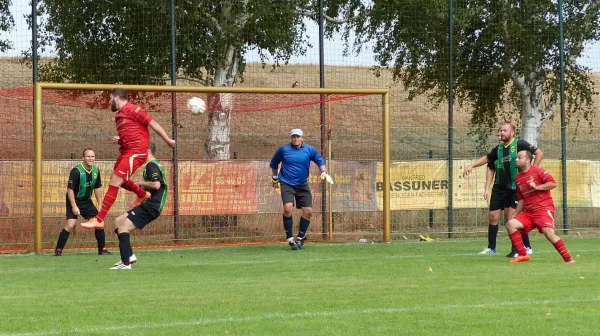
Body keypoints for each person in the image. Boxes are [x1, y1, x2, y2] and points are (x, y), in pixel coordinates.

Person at [81, 88, 175, 229]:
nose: (109, 101)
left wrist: (168, 140)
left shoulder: (134, 109)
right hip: (126, 152)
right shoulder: (119, 115)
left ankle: (99, 219)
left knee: (115, 182)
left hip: (136, 152)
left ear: (117, 97)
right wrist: (121, 139)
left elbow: (153, 124)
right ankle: (142, 194)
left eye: (110, 98)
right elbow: (132, 133)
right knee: (121, 180)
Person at [463, 122, 543, 256]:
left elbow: (539, 153)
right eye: (500, 131)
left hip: (515, 188)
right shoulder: (498, 149)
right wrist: (473, 166)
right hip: (499, 188)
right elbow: (488, 160)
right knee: (493, 217)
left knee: (511, 218)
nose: (501, 133)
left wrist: (532, 173)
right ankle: (491, 248)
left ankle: (518, 249)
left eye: (504, 130)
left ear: (512, 132)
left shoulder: (520, 144)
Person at [506, 150, 575, 264]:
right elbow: (522, 199)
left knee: (548, 233)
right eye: (517, 158)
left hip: (543, 208)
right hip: (529, 212)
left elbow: (553, 183)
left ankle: (568, 259)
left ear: (528, 160)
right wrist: (514, 214)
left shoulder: (538, 171)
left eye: (519, 157)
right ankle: (523, 255)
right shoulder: (518, 178)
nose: (516, 159)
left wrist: (537, 187)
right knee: (510, 224)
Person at [270, 129, 334, 250]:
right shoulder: (283, 150)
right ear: (291, 138)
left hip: (302, 184)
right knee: (288, 208)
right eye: (293, 137)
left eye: (298, 137)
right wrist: (274, 177)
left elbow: (319, 160)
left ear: (302, 138)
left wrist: (324, 172)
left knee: (308, 211)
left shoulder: (309, 150)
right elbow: (274, 163)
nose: (296, 139)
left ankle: (300, 237)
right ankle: (289, 238)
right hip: (286, 183)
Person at [110, 143, 167, 269]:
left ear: (147, 151)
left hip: (152, 206)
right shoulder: (152, 165)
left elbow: (156, 185)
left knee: (123, 228)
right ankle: (129, 256)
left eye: (141, 150)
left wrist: (140, 183)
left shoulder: (151, 165)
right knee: (118, 221)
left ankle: (126, 263)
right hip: (149, 204)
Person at [54, 148, 111, 256]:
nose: (90, 158)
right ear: (83, 158)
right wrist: (74, 206)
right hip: (74, 200)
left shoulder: (96, 170)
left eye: (92, 156)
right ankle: (58, 250)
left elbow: (97, 188)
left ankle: (102, 250)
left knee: (99, 224)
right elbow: (70, 190)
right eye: (88, 156)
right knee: (70, 225)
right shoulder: (76, 171)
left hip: (87, 201)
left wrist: (100, 204)